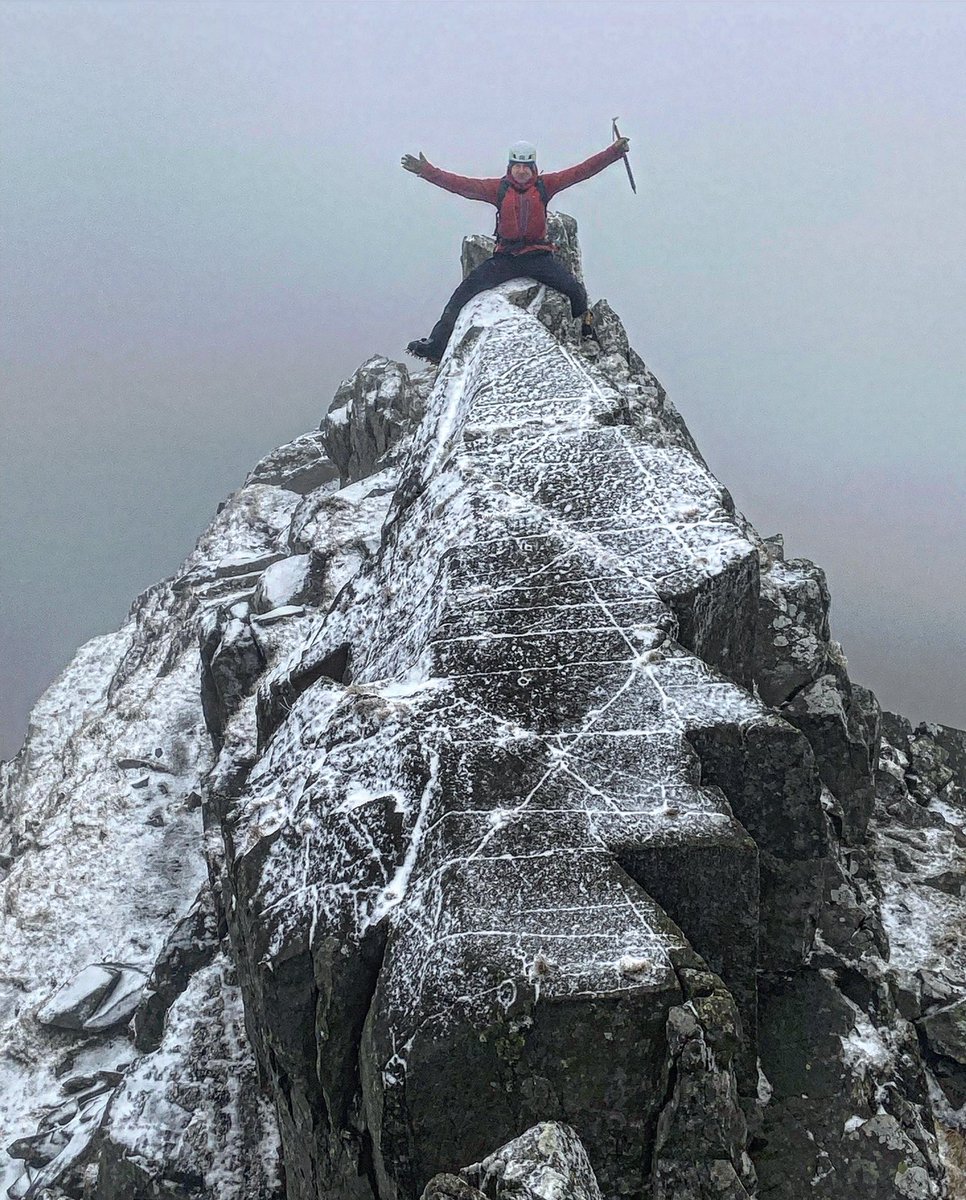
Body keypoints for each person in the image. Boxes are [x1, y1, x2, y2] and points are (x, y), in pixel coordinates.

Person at [401, 136, 630, 364]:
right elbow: (461, 185)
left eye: (526, 167)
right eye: (517, 166)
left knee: (575, 290)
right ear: (510, 167)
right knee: (463, 293)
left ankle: (585, 333)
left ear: (534, 168)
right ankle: (436, 345)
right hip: (506, 258)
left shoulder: (544, 186)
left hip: (538, 257)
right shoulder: (498, 189)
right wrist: (427, 171)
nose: (521, 171)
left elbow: (581, 171)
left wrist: (614, 152)